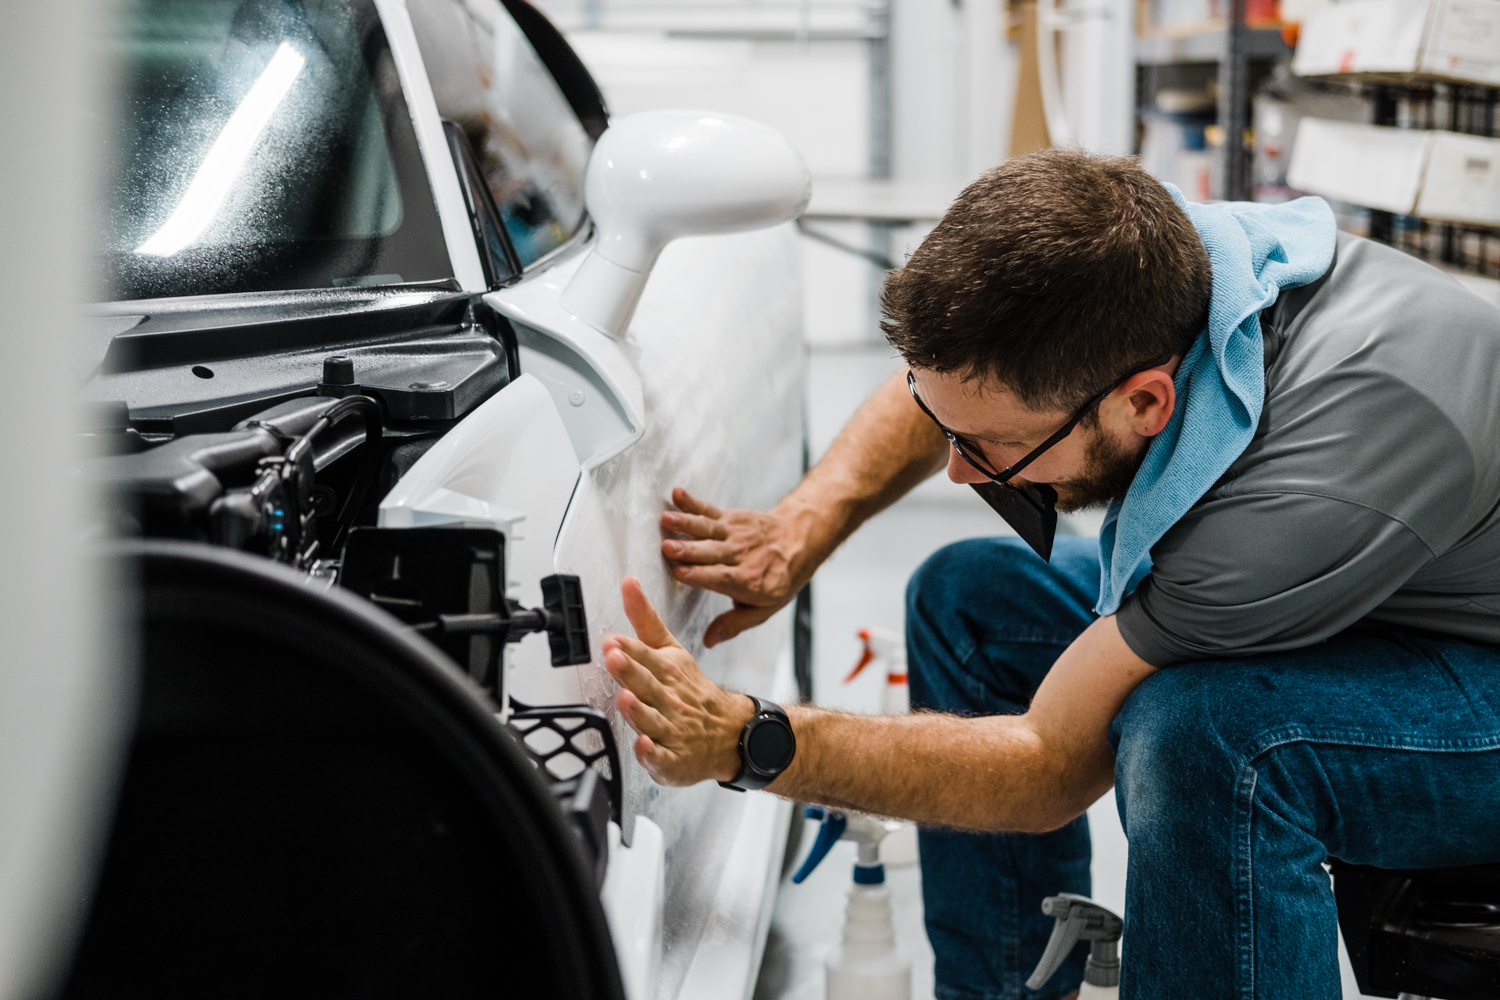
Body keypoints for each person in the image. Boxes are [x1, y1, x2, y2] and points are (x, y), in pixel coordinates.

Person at [599, 148, 1500, 1000]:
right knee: (973, 601)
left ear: (1145, 401)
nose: (958, 471)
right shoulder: (1160, 265)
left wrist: (754, 741)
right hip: (1387, 577)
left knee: (1209, 738)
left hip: (1472, 668)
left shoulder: (1298, 502)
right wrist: (806, 522)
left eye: (987, 450)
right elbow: (967, 387)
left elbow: (1047, 764)